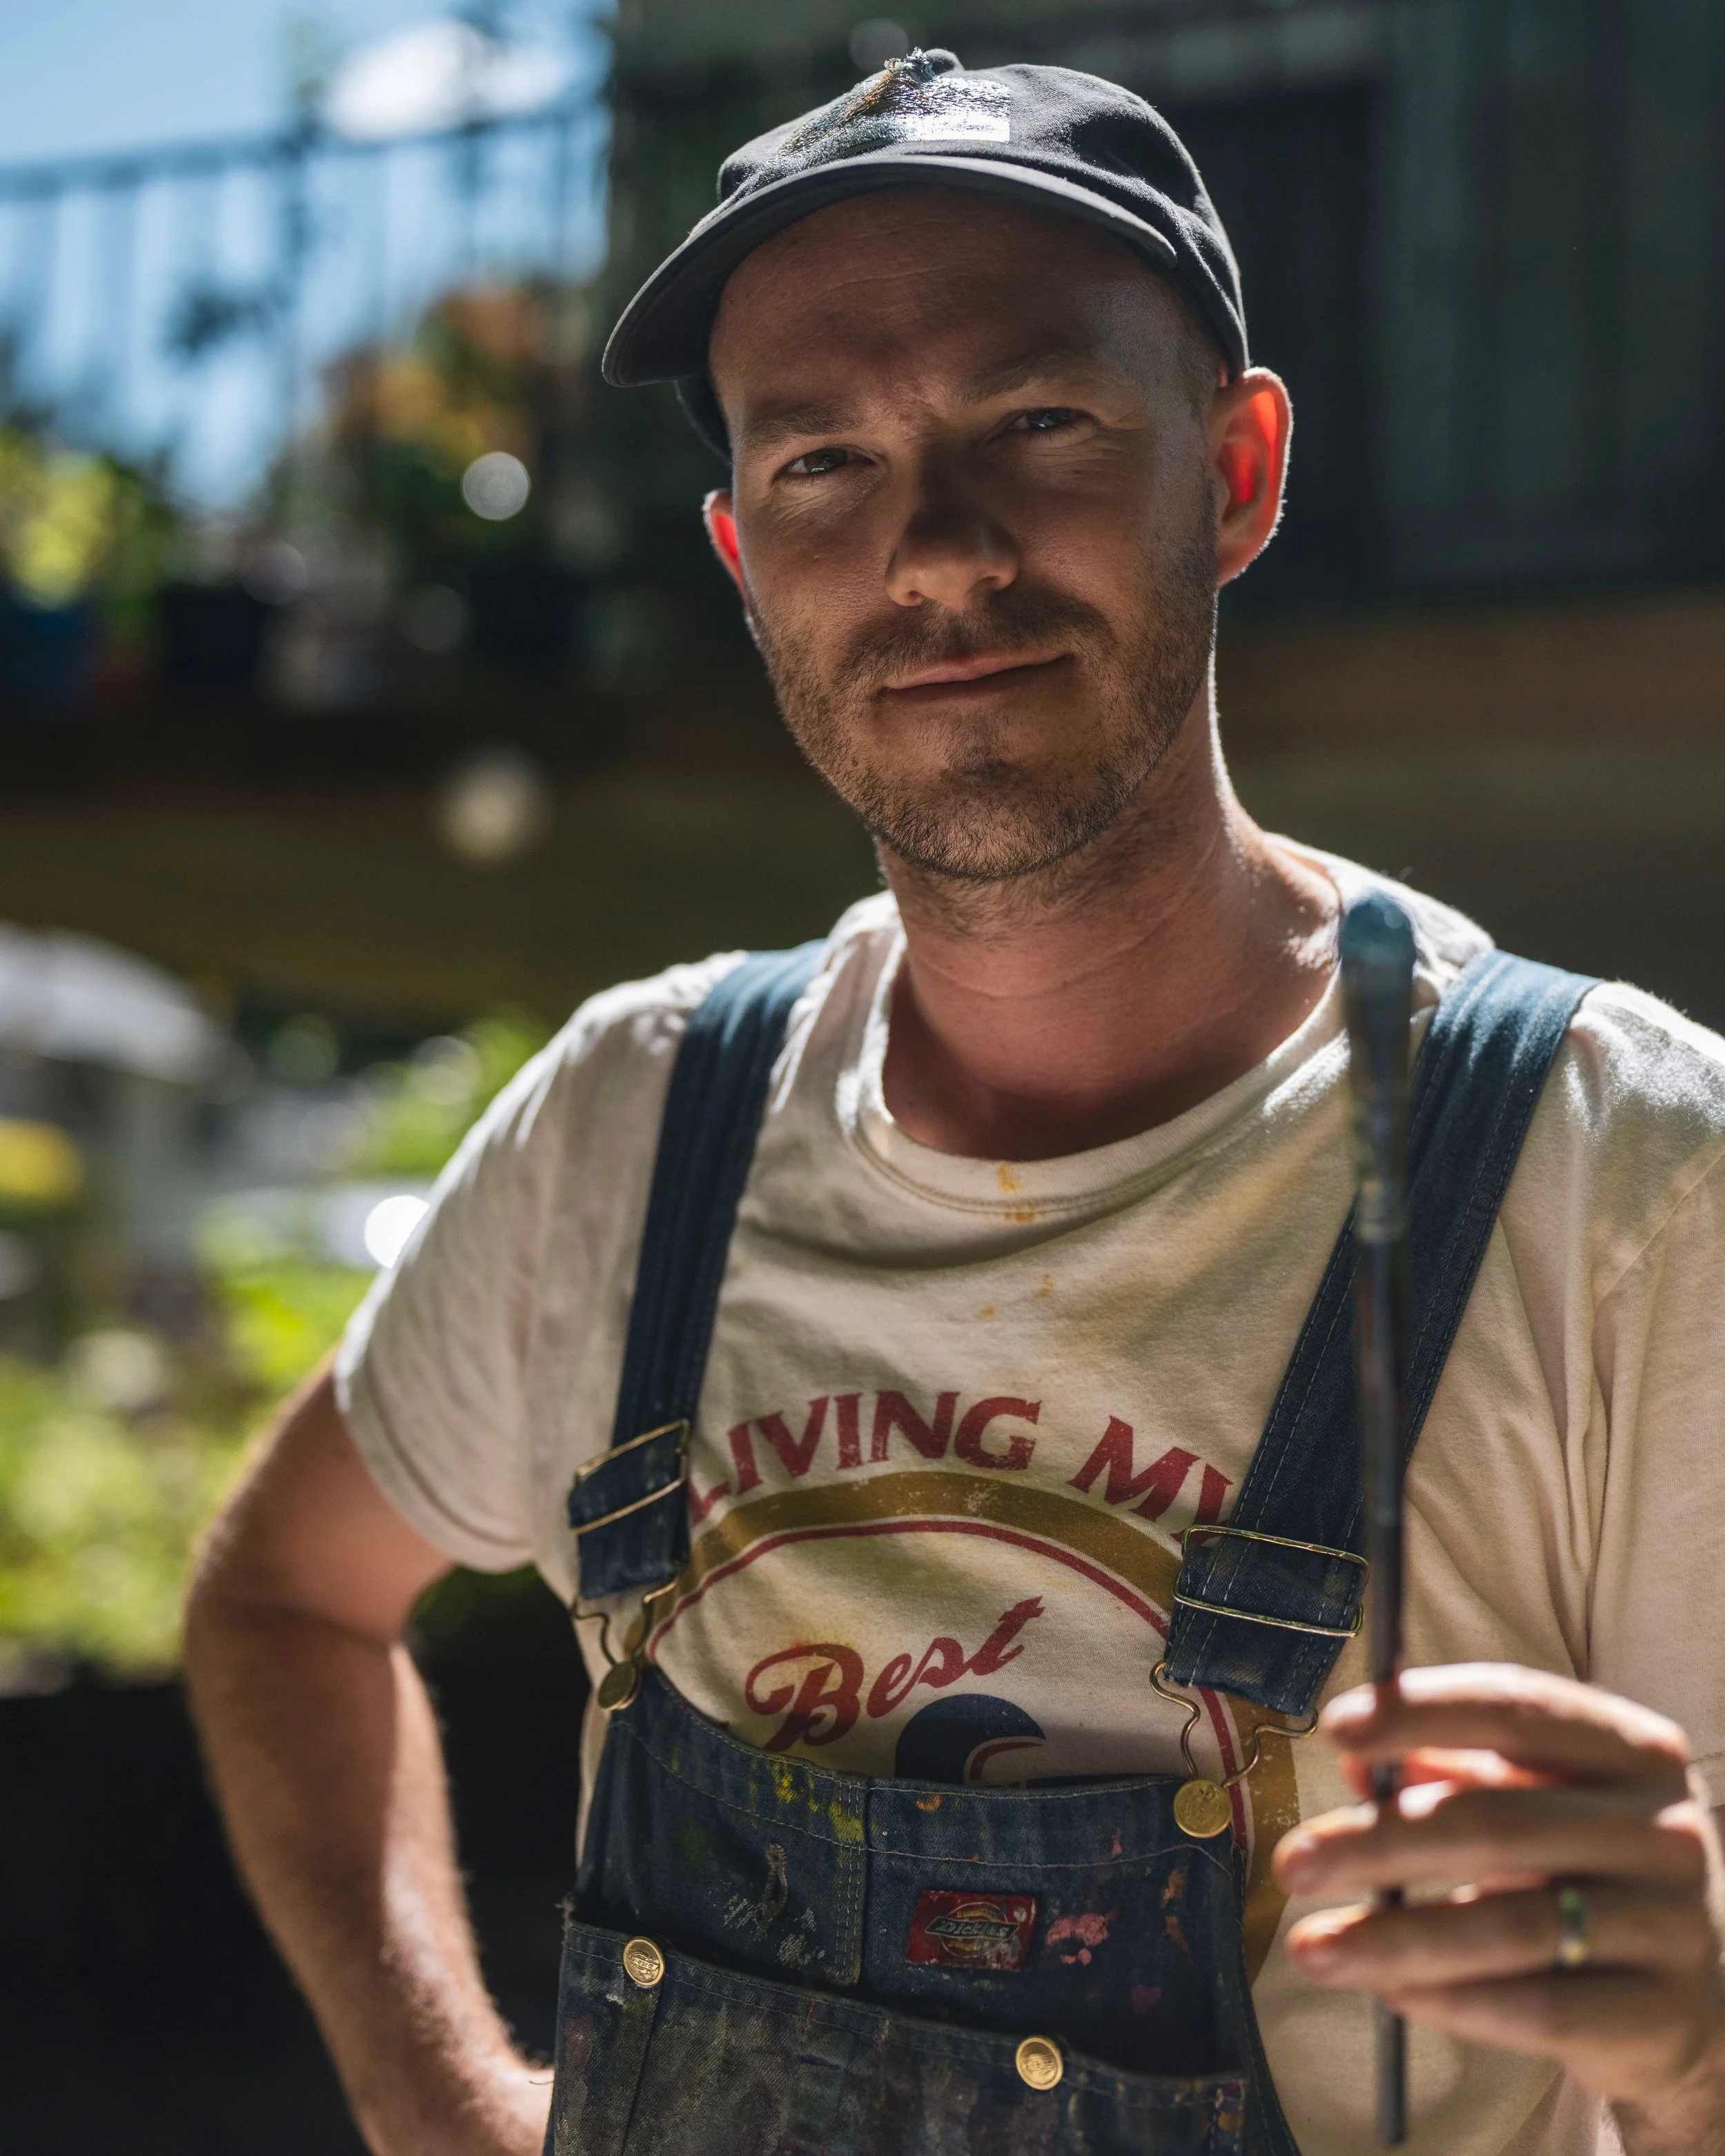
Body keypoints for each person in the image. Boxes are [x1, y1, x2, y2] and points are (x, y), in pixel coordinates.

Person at [184, 49, 1725, 2156]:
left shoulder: (1614, 1177)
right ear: (741, 555)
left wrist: (1698, 2037)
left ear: (1238, 465)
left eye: (1036, 423)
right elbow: (281, 1592)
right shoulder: (634, 1130)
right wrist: (437, 2096)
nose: (933, 553)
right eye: (823, 463)